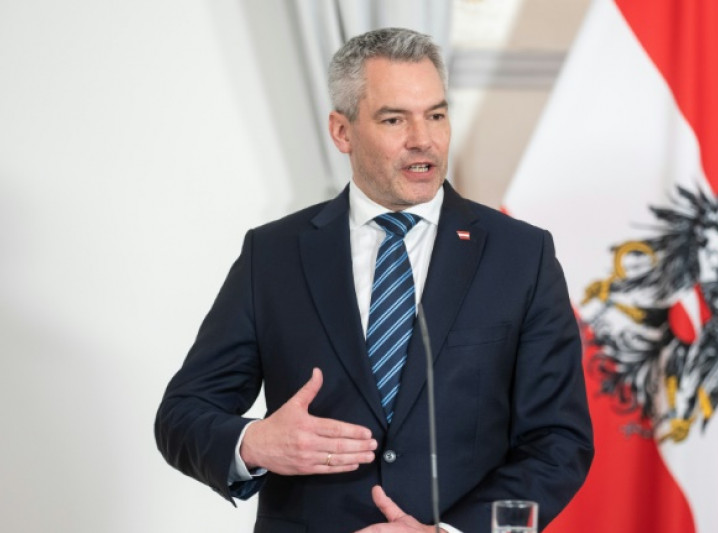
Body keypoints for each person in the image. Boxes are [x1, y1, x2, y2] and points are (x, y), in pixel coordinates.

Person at [155, 27, 593, 533]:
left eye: (436, 115)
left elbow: (558, 441)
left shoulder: (521, 255)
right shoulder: (273, 254)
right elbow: (183, 414)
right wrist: (253, 443)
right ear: (342, 132)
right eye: (394, 119)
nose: (423, 139)